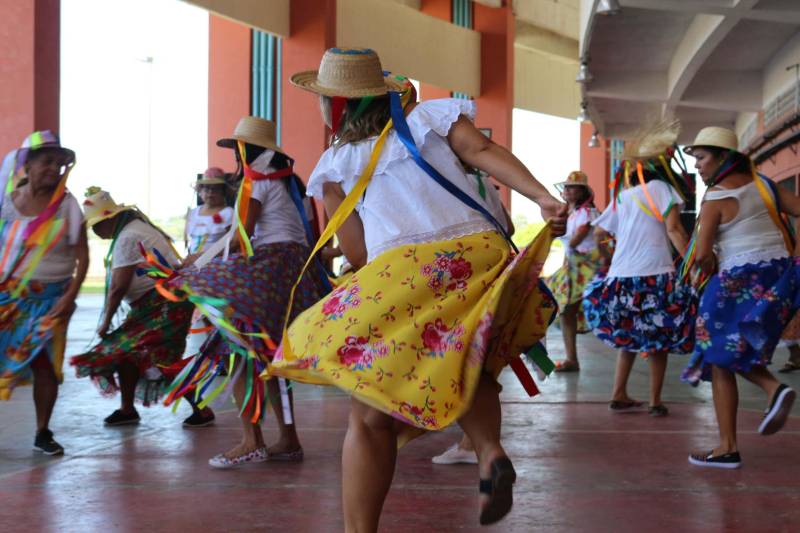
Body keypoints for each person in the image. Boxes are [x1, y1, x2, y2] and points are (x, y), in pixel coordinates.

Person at [267, 48, 567, 530]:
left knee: (366, 418)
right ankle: (489, 451)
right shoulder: (430, 117)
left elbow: (361, 254)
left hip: (408, 271)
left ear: (338, 105)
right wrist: (543, 198)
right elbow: (484, 154)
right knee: (460, 357)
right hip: (477, 255)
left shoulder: (334, 164)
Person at [161, 116, 328, 468]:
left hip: (270, 267)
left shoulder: (257, 181)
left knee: (240, 350)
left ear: (244, 149)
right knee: (270, 355)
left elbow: (241, 239)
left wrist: (197, 264)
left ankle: (252, 441)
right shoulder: (288, 181)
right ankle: (288, 440)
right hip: (294, 271)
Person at [682, 127, 799, 469]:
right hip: (776, 276)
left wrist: (702, 269)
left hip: (736, 278)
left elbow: (703, 255)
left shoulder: (715, 198)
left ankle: (772, 388)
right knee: (728, 351)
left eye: (702, 158)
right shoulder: (765, 185)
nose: (698, 166)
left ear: (723, 158)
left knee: (715, 347)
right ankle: (726, 448)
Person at [583, 120, 694, 417]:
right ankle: (655, 401)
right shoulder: (664, 189)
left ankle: (618, 394)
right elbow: (674, 230)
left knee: (629, 336)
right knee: (657, 341)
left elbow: (598, 234)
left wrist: (610, 257)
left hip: (621, 276)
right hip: (655, 272)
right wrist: (693, 263)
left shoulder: (623, 196)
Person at [70, 188, 201, 426]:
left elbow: (118, 287)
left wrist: (106, 321)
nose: (96, 231)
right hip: (160, 303)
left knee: (156, 359)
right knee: (129, 353)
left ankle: (201, 409)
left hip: (163, 305)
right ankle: (127, 409)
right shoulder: (135, 230)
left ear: (110, 220)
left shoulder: (127, 237)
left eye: (97, 225)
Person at [0, 131, 88, 455]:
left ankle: (42, 432)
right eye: (46, 161)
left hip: (52, 299)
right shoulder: (7, 201)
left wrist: (69, 297)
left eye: (58, 162)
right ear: (28, 164)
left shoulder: (66, 204)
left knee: (44, 366)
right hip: (8, 296)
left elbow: (83, 255)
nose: (54, 168)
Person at [547, 170, 604, 372]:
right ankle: (572, 358)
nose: (568, 190)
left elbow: (577, 238)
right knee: (566, 310)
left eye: (572, 187)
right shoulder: (570, 214)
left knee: (594, 308)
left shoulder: (588, 213)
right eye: (567, 187)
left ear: (581, 192)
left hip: (589, 267)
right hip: (575, 266)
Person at [184, 167, 234, 255]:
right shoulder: (193, 213)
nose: (210, 192)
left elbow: (234, 243)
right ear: (200, 191)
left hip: (216, 262)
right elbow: (191, 243)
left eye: (215, 189)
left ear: (223, 192)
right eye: (207, 188)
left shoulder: (229, 213)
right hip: (192, 261)